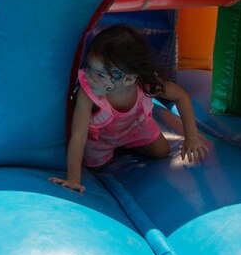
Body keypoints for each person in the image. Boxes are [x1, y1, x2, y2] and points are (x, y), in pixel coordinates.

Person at [49, 24, 209, 193]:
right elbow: (79, 134)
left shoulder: (146, 84)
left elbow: (180, 96)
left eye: (100, 75)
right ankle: (115, 149)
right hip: (102, 139)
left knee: (162, 152)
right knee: (94, 167)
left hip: (134, 127)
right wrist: (74, 178)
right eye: (89, 68)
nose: (90, 78)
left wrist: (191, 137)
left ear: (128, 80)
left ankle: (129, 144)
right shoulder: (88, 92)